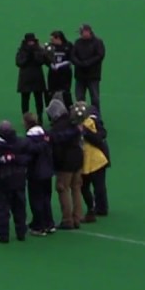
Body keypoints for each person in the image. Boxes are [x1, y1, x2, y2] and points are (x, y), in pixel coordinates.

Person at [46, 98, 84, 231]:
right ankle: (77, 217)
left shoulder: (57, 127)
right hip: (78, 159)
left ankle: (67, 219)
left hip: (66, 162)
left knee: (62, 188)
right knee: (76, 187)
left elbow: (57, 147)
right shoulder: (73, 122)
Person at [22, 113, 56, 237]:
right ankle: (49, 223)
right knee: (46, 198)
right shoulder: (46, 135)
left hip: (35, 174)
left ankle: (39, 226)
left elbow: (29, 155)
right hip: (48, 172)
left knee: (36, 200)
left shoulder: (29, 140)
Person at [77, 103, 110, 221]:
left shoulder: (89, 124)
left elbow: (98, 138)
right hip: (92, 159)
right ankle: (96, 207)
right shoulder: (88, 123)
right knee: (88, 186)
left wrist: (84, 131)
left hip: (95, 159)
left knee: (96, 185)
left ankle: (100, 208)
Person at [16, 33, 48, 124]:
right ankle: (25, 118)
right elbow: (19, 62)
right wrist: (27, 57)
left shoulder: (39, 50)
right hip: (25, 78)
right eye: (29, 41)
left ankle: (40, 116)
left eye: (32, 41)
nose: (31, 43)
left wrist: (35, 55)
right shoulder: (22, 50)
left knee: (39, 99)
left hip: (37, 77)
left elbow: (42, 61)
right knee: (25, 100)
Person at [71, 23, 105, 109]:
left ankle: (96, 116)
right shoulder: (77, 42)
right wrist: (78, 63)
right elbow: (73, 55)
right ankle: (81, 116)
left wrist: (87, 63)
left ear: (87, 31)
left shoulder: (98, 42)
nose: (80, 34)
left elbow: (100, 55)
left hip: (93, 75)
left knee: (95, 98)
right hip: (80, 75)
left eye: (81, 32)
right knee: (79, 98)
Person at [45, 30, 73, 106]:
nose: (51, 41)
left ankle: (68, 111)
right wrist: (50, 64)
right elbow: (45, 58)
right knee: (51, 93)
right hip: (53, 74)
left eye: (53, 39)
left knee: (65, 93)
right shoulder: (50, 47)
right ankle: (52, 113)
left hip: (65, 74)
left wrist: (61, 64)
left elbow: (71, 59)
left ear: (58, 38)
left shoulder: (68, 46)